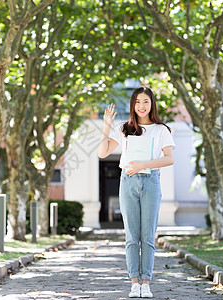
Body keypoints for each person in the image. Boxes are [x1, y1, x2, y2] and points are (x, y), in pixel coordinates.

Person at [98, 86, 175, 298]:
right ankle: (134, 283)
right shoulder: (124, 128)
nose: (141, 106)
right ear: (133, 105)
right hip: (128, 182)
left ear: (152, 105)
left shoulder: (161, 130)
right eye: (138, 102)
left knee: (147, 236)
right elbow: (103, 153)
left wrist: (143, 164)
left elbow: (169, 158)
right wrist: (106, 127)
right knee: (132, 236)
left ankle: (146, 283)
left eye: (146, 102)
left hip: (151, 182)